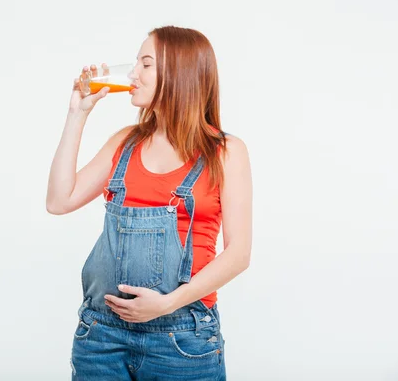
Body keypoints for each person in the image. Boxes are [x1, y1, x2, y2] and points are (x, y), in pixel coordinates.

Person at [46, 25, 252, 381]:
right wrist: (77, 114)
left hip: (182, 338)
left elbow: (239, 255)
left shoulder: (225, 153)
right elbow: (58, 200)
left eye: (145, 65)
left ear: (179, 73)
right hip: (101, 336)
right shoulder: (125, 143)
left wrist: (167, 303)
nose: (131, 75)